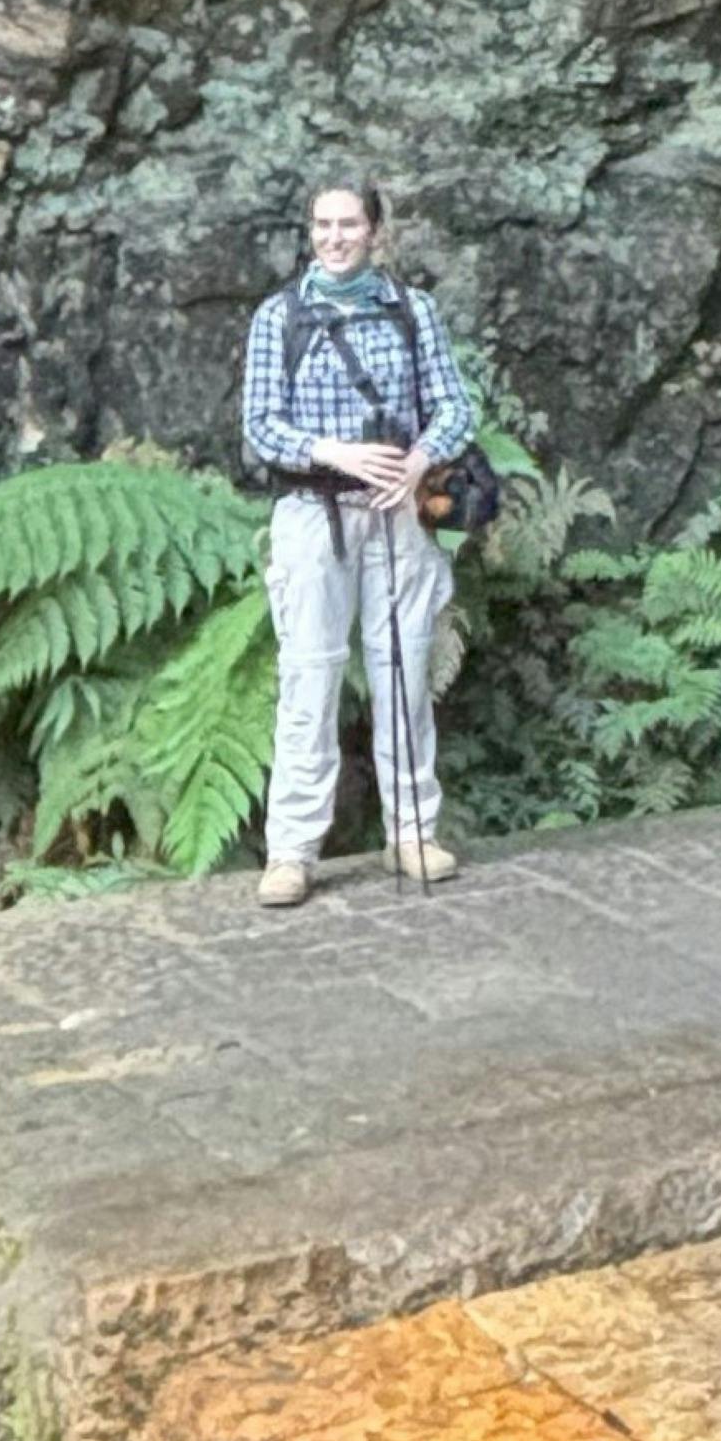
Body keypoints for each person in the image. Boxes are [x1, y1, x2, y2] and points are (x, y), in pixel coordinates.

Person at [237, 177, 480, 908]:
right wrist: (335, 453)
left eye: (348, 223)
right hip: (314, 513)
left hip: (398, 512)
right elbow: (260, 424)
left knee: (401, 670)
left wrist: (414, 462)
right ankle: (292, 849)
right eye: (322, 224)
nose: (334, 237)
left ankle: (411, 829)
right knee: (309, 676)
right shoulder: (279, 318)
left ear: (375, 230)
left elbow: (454, 408)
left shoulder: (412, 312)